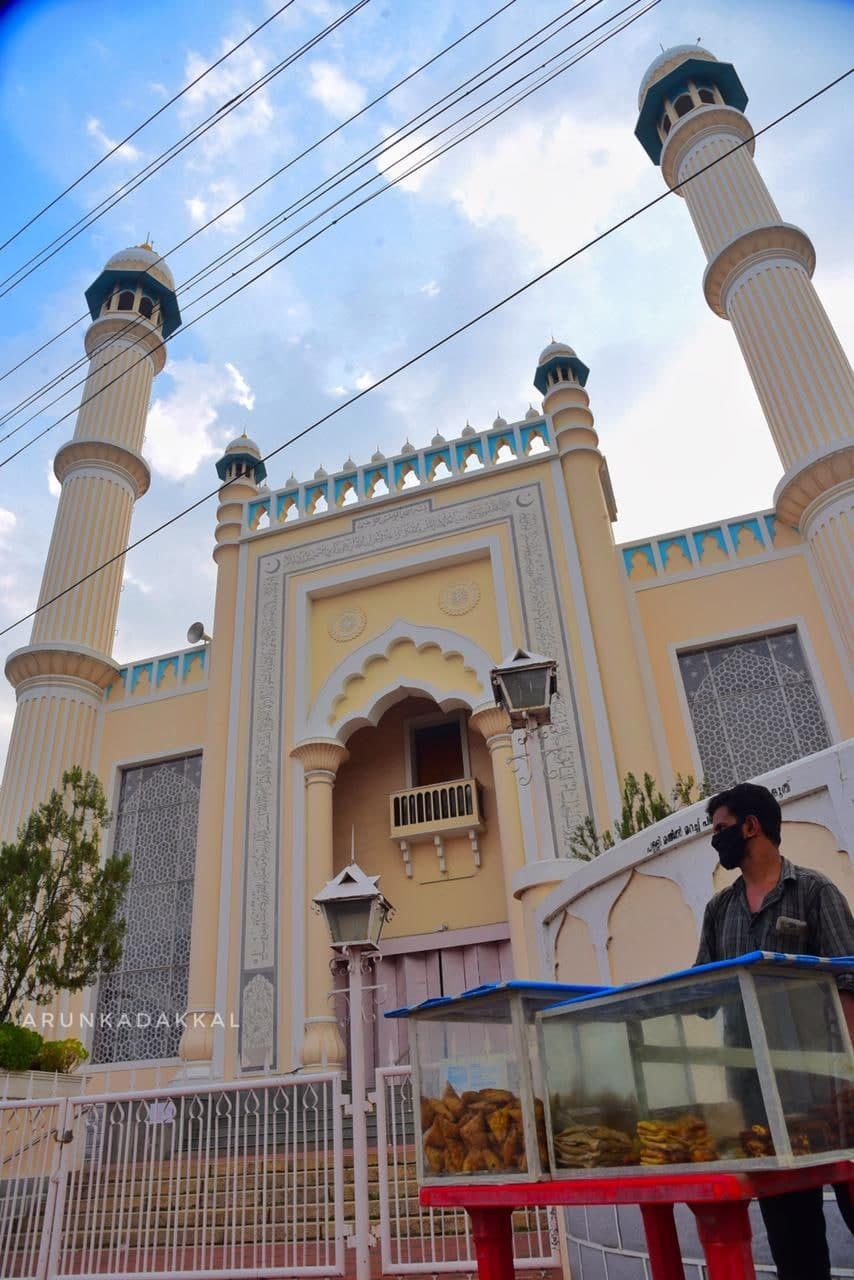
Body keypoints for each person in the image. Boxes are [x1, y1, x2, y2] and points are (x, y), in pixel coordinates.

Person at [695, 781, 854, 1280]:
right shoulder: (720, 910)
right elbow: (704, 993)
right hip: (757, 1100)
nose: (715, 840)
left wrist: (848, 1082)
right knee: (792, 1237)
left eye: (720, 829)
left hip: (826, 1093)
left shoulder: (813, 891)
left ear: (751, 826)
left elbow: (848, 983)